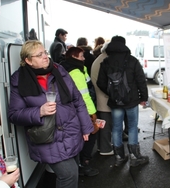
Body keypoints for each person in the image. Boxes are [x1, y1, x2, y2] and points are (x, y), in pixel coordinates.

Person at [8, 40, 93, 188]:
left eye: (45, 52)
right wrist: (39, 111)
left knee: (72, 173)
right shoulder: (19, 79)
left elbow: (77, 99)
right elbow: (14, 114)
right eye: (39, 55)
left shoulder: (58, 70)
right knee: (68, 174)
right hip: (47, 138)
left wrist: (86, 126)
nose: (45, 56)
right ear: (28, 60)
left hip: (71, 131)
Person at [97, 35, 149, 167]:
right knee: (132, 127)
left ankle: (119, 156)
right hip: (131, 101)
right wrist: (143, 97)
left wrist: (112, 93)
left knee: (116, 128)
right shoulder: (132, 61)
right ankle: (134, 156)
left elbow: (100, 83)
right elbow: (141, 80)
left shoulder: (106, 62)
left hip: (115, 102)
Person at [60, 46, 99, 176]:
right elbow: (84, 95)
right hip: (83, 110)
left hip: (72, 110)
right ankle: (84, 166)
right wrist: (92, 113)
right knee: (90, 135)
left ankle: (80, 165)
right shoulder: (76, 71)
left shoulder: (67, 67)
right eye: (81, 56)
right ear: (75, 57)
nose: (84, 58)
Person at [91, 41, 114, 156]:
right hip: (104, 98)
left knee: (101, 123)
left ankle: (101, 147)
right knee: (105, 124)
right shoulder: (105, 61)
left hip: (99, 97)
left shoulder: (100, 58)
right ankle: (105, 148)